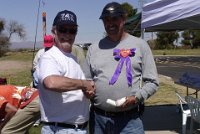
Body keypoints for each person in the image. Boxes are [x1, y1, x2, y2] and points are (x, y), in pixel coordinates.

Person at [82, 2, 159, 134]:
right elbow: (87, 81)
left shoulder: (140, 45)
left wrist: (137, 97)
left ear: (123, 19)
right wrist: (87, 90)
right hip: (99, 121)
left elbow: (153, 82)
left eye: (114, 19)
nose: (110, 23)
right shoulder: (93, 48)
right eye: (106, 20)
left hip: (130, 122)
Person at [37, 10, 95, 134]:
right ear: (54, 31)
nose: (68, 34)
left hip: (76, 128)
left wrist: (87, 92)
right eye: (63, 29)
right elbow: (51, 82)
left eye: (72, 30)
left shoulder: (72, 58)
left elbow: (76, 88)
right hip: (60, 129)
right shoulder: (50, 57)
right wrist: (83, 84)